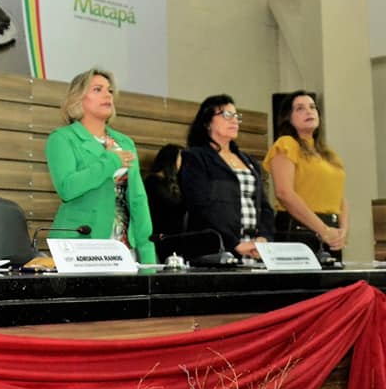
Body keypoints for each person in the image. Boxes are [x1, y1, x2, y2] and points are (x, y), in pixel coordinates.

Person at [44, 69, 156, 263]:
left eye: (110, 91)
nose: (107, 95)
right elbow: (68, 188)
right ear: (77, 99)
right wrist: (111, 161)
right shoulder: (62, 138)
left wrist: (147, 252)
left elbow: (138, 200)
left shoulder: (125, 142)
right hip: (80, 244)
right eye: (98, 89)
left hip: (124, 247)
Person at [180, 94, 274, 259]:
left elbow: (265, 207)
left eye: (236, 116)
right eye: (226, 115)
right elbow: (199, 207)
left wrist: (263, 239)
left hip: (254, 251)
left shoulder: (250, 162)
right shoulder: (195, 158)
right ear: (207, 122)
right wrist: (233, 243)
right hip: (216, 250)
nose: (234, 120)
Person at [263, 91, 347, 261]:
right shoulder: (286, 144)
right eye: (300, 109)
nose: (309, 112)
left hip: (331, 230)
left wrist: (342, 231)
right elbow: (284, 193)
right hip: (298, 227)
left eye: (312, 107)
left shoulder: (328, 154)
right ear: (289, 118)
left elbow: (340, 198)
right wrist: (323, 230)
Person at [143, 144, 186, 239]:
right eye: (180, 159)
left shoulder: (174, 183)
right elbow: (172, 206)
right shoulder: (153, 181)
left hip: (173, 235)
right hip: (160, 235)